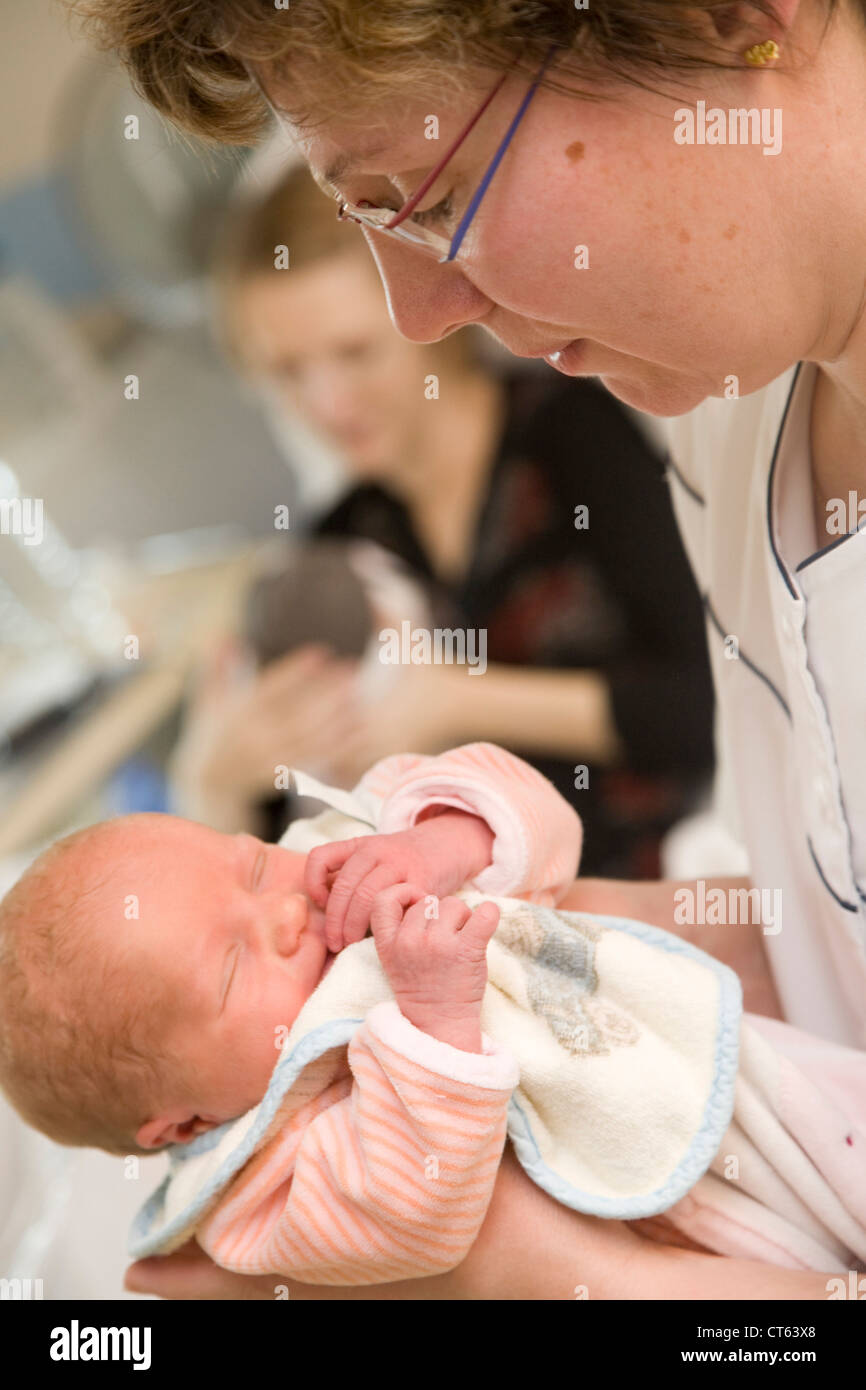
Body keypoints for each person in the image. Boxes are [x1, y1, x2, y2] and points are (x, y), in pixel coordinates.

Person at [65, 0, 866, 1300]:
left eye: (420, 198)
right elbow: (820, 929)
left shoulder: (601, 425)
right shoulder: (721, 403)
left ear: (725, 20)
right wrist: (478, 894)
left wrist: (521, 1267)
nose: (422, 319)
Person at [0, 744, 861, 1283]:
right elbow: (413, 1213)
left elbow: (530, 811)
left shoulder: (354, 857)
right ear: (184, 1120)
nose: (286, 909)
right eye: (232, 965)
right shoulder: (260, 1177)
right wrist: (433, 1020)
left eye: (252, 866)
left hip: (749, 1059)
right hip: (713, 1220)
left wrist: (440, 841)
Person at [176, 163, 715, 878]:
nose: (328, 405)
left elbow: (702, 706)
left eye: (354, 353)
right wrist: (215, 777)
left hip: (668, 880)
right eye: (287, 371)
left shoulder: (569, 431)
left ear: (427, 312)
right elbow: (295, 849)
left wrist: (457, 702)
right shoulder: (339, 545)